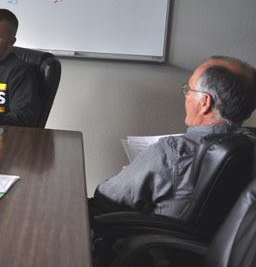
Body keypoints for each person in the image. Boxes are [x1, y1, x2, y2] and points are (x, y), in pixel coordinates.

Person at [89, 56, 256, 220]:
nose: (186, 95)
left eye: (189, 89)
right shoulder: (249, 146)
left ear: (205, 102)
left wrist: (132, 173)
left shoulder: (172, 152)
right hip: (210, 245)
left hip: (151, 242)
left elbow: (106, 198)